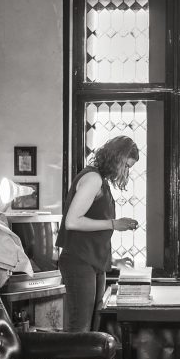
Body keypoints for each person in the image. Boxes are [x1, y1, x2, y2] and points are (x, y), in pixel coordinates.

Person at [57, 136, 140, 332]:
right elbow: (72, 221)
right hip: (78, 261)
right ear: (116, 158)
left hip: (92, 262)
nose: (126, 172)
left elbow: (92, 235)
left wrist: (112, 262)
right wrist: (114, 223)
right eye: (126, 166)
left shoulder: (101, 181)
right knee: (80, 326)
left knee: (92, 326)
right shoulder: (93, 178)